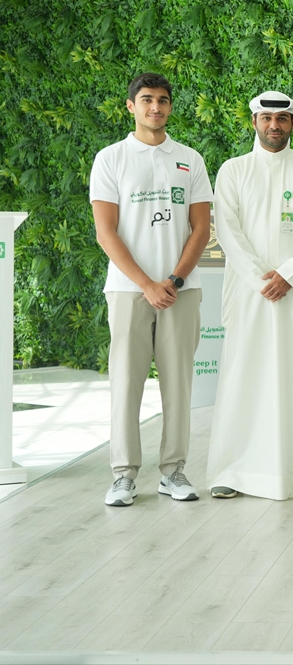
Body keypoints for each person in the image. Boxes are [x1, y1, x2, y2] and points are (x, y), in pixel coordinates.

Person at [90, 73, 212, 507]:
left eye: (162, 100)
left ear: (170, 106)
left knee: (178, 384)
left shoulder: (190, 159)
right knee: (126, 383)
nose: (155, 107)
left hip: (182, 290)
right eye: (146, 100)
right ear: (131, 106)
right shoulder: (111, 158)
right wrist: (146, 284)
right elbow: (106, 232)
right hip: (128, 291)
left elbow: (201, 228)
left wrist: (173, 281)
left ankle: (173, 471)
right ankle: (123, 476)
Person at [206, 91, 293, 500]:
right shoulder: (233, 170)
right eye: (266, 118)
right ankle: (233, 472)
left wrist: (290, 275)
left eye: (281, 119)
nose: (274, 125)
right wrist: (262, 278)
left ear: (292, 123)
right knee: (244, 374)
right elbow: (227, 230)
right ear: (254, 122)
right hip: (250, 293)